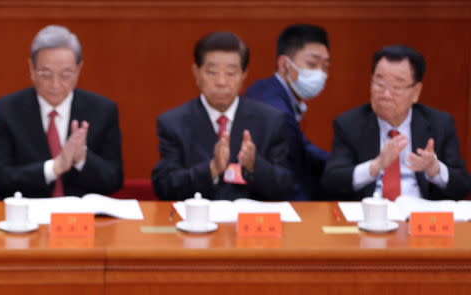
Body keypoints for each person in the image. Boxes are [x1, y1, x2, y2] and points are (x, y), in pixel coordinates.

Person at [151, 31, 294, 201]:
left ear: (244, 76)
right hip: (196, 224)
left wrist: (254, 165)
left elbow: (285, 187)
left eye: (231, 73)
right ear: (196, 73)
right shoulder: (173, 123)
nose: (221, 82)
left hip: (249, 224)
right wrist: (211, 169)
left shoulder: (270, 121)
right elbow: (164, 186)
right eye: (212, 72)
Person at [0, 25, 123, 199]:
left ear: (79, 69)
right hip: (27, 218)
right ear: (31, 69)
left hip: (84, 220)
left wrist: (82, 159)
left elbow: (115, 180)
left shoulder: (103, 110)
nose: (55, 84)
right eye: (46, 74)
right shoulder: (7, 110)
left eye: (65, 75)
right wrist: (54, 167)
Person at [322, 45, 471, 201]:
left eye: (396, 87)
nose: (386, 95)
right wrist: (376, 165)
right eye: (379, 84)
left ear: (416, 92)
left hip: (419, 216)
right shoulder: (349, 124)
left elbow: (462, 186)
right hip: (372, 215)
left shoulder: (440, 124)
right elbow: (332, 182)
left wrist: (435, 169)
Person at [245, 24, 331, 200]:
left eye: (325, 66)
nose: (320, 74)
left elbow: (301, 144)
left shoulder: (263, 87)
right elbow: (291, 178)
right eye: (312, 64)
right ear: (284, 64)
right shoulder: (278, 110)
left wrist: (338, 163)